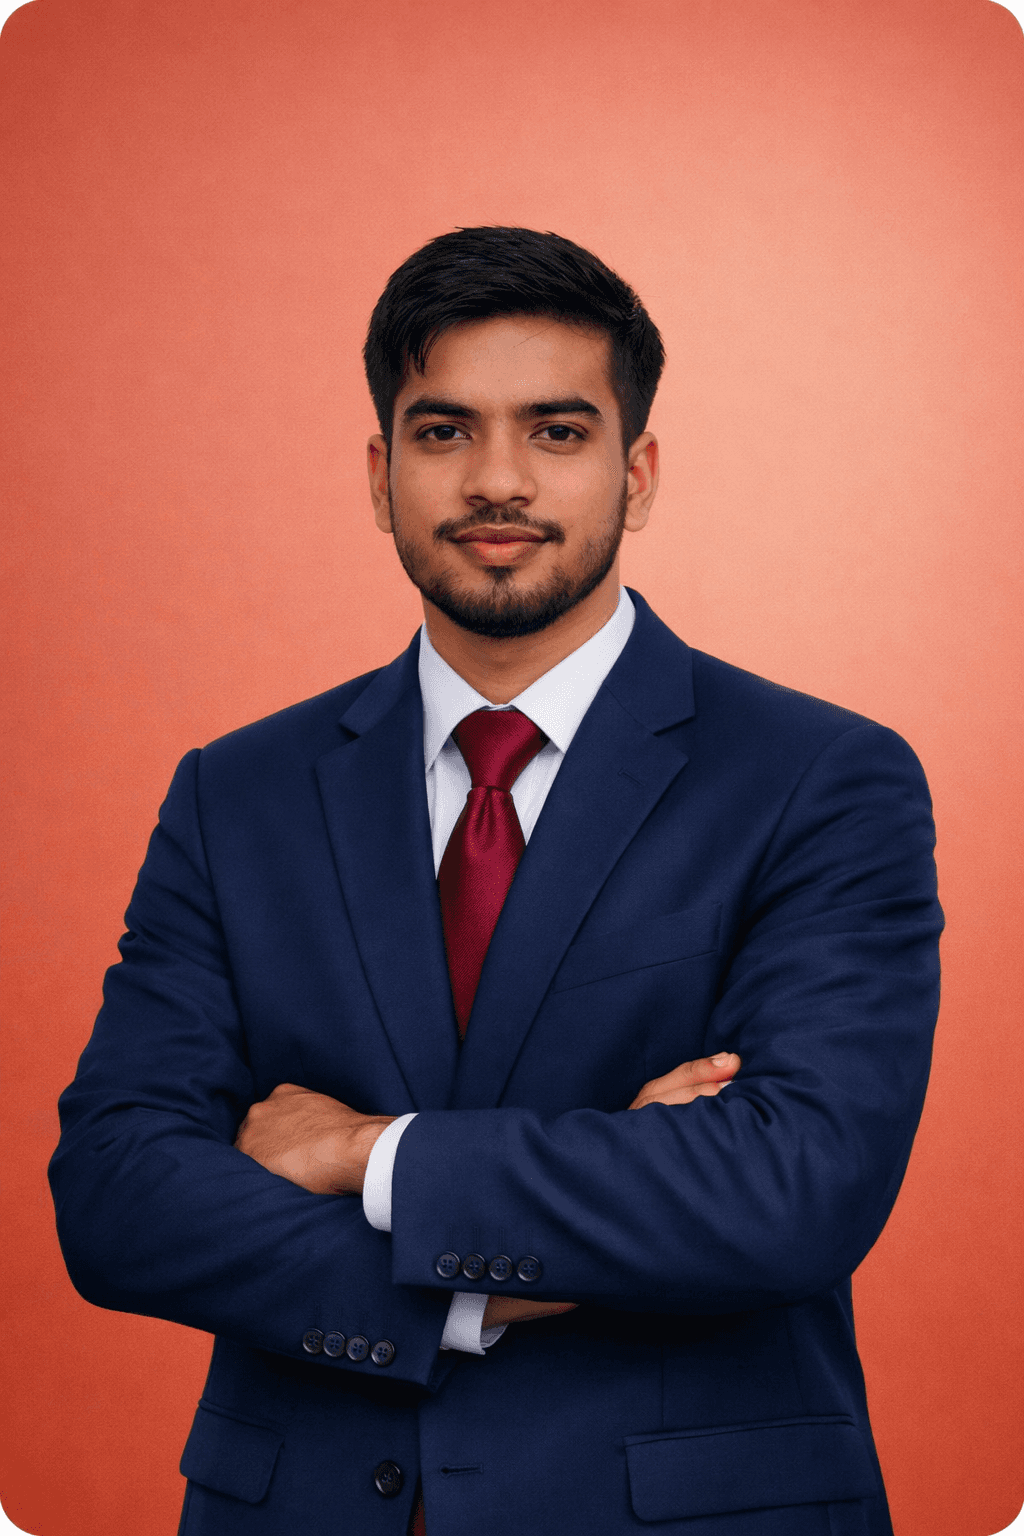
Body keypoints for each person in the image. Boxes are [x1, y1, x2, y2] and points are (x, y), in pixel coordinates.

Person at [49, 226, 942, 1536]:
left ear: (638, 473)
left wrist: (362, 1153)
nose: (499, 480)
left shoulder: (821, 778)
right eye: (444, 431)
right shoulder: (234, 795)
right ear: (380, 475)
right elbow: (117, 1196)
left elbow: (790, 1188)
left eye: (558, 431)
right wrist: (489, 1281)